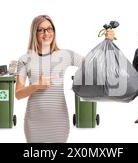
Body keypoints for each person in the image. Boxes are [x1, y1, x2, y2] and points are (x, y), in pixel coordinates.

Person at [15, 15, 114, 143]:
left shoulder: (65, 55)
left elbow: (94, 64)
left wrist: (107, 43)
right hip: (34, 122)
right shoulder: (24, 59)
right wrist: (36, 86)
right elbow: (18, 94)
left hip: (59, 121)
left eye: (50, 29)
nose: (46, 33)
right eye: (41, 30)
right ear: (35, 32)